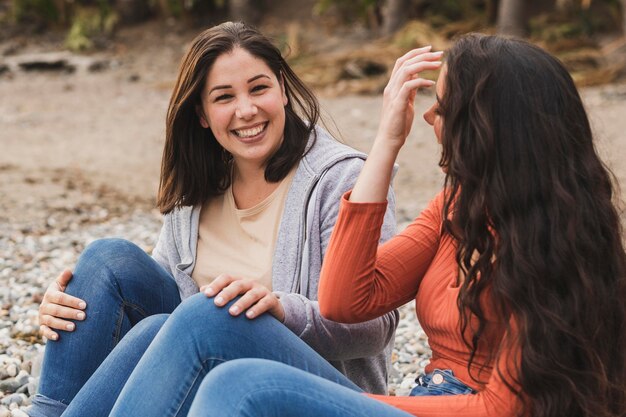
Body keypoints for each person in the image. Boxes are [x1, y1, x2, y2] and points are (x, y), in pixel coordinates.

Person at [183, 34, 626, 417]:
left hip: (452, 409)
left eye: (444, 106)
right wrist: (386, 142)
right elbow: (345, 300)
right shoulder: (456, 207)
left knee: (239, 387)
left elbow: (502, 409)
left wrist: (361, 406)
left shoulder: (554, 244)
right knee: (209, 326)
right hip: (424, 401)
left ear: (490, 128)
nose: (430, 118)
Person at [28, 21, 399, 417]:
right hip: (198, 379)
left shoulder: (343, 179)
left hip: (309, 393)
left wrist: (281, 311)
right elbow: (154, 301)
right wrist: (72, 303)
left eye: (259, 88)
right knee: (107, 263)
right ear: (202, 114)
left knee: (206, 314)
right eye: (224, 97)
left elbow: (375, 327)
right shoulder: (200, 186)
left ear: (283, 91)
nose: (247, 110)